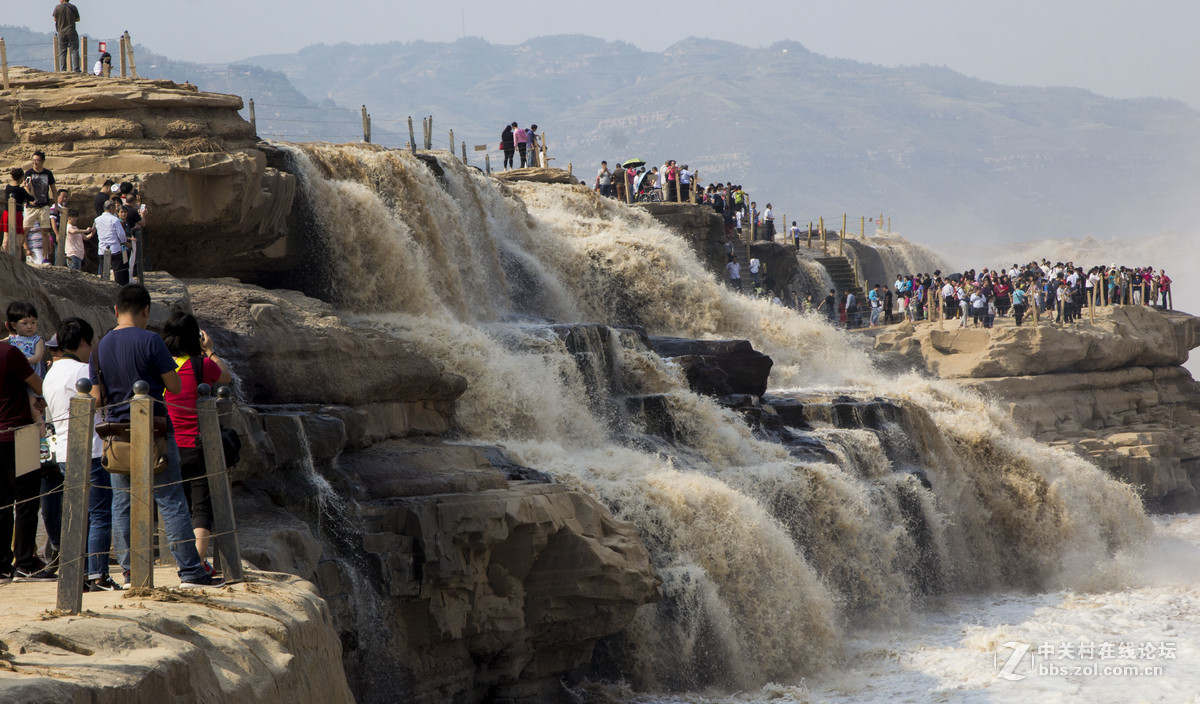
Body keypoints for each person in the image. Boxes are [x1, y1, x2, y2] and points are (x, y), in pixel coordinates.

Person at [89, 284, 225, 588]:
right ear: (146, 311)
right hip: (155, 433)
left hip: (118, 436)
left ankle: (130, 573)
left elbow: (96, 399)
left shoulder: (99, 347)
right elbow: (174, 386)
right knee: (171, 500)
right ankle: (190, 571)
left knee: (122, 503)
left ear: (115, 310)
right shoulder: (151, 340)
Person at [42, 318, 122, 590]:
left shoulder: (51, 371)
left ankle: (79, 572)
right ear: (84, 342)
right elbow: (96, 400)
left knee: (78, 513)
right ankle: (97, 574)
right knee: (99, 514)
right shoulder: (82, 370)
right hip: (90, 449)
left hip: (64, 449)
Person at [161, 312, 231, 575]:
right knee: (201, 507)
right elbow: (225, 377)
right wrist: (210, 351)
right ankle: (198, 566)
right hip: (197, 446)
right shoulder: (200, 364)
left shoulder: (163, 366)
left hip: (167, 445)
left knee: (176, 503)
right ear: (194, 337)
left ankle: (178, 560)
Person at [0, 330, 51, 583]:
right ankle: (25, 561)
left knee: (1, 502)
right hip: (22, 433)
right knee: (28, 501)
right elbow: (39, 385)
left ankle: (1, 564)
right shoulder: (10, 352)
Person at [23, 151, 56, 241]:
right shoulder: (29, 172)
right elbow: (25, 188)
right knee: (25, 229)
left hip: (44, 205)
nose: (35, 162)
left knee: (45, 232)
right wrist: (29, 200)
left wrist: (56, 205)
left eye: (37, 160)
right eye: (33, 160)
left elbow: (53, 189)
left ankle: (45, 255)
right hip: (31, 206)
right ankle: (19, 251)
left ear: (42, 161)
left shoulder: (48, 173)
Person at [94, 199, 128, 283]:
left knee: (103, 272)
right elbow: (121, 234)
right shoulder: (114, 219)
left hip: (102, 249)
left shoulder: (97, 219)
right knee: (118, 273)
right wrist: (124, 241)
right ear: (112, 207)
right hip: (114, 249)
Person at [3, 167, 32, 257]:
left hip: (7, 213)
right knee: (18, 239)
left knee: (6, 236)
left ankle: (4, 256)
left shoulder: (8, 187)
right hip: (17, 214)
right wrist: (27, 188)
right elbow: (31, 199)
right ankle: (17, 260)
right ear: (22, 177)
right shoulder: (21, 190)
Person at [53, 0, 82, 72]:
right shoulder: (73, 7)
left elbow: (55, 19)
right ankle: (76, 69)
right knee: (74, 51)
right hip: (71, 31)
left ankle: (63, 69)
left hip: (61, 32)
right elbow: (78, 19)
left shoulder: (57, 7)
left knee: (62, 52)